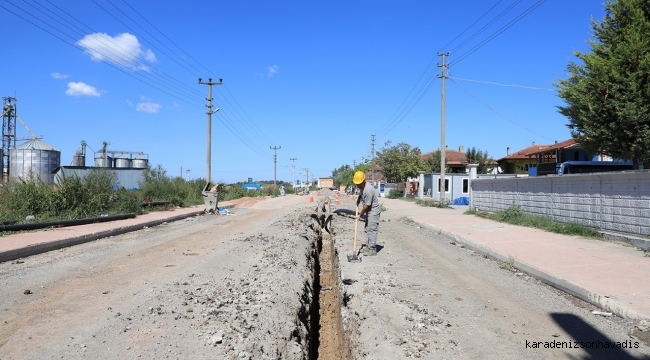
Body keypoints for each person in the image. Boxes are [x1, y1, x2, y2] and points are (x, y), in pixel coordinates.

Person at [353, 170, 381, 256]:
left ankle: (372, 249)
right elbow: (361, 194)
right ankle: (368, 246)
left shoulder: (368, 190)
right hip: (369, 210)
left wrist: (359, 215)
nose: (357, 185)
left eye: (358, 183)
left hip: (373, 211)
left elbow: (366, 206)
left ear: (362, 181)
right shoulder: (362, 187)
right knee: (367, 228)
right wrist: (358, 199)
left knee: (372, 229)